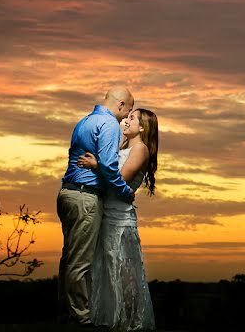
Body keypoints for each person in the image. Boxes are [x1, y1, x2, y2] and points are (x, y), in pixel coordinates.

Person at [58, 87, 136, 326]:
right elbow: (110, 168)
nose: (125, 118)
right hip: (86, 197)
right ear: (121, 104)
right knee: (80, 261)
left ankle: (66, 311)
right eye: (128, 111)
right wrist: (125, 193)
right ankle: (80, 317)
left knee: (69, 257)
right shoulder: (109, 124)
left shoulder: (85, 121)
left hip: (67, 194)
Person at [77, 107, 158, 331]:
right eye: (128, 116)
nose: (126, 120)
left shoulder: (140, 149)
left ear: (143, 127)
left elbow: (119, 180)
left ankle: (129, 319)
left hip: (120, 217)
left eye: (132, 118)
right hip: (107, 212)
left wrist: (96, 165)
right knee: (105, 267)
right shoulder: (123, 146)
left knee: (124, 270)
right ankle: (108, 317)